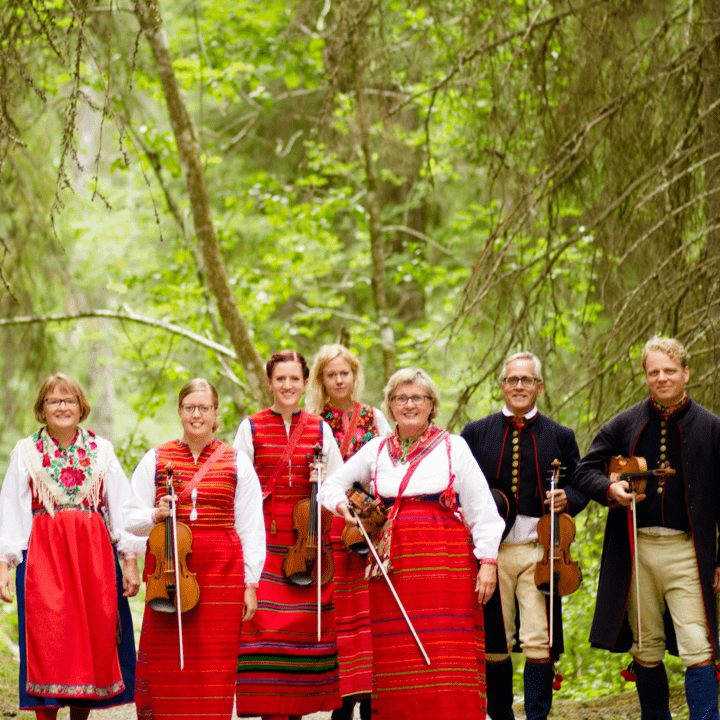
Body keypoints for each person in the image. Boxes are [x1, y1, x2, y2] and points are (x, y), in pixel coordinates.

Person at [319, 367, 505, 720]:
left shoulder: (454, 447)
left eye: (417, 397)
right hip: (392, 569)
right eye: (400, 398)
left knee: (445, 653)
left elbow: (483, 510)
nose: (409, 405)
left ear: (432, 405)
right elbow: (330, 486)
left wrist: (489, 563)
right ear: (389, 406)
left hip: (446, 568)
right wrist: (346, 509)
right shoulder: (375, 450)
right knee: (397, 656)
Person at [571, 337, 720, 720]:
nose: (662, 378)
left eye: (670, 371)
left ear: (686, 373)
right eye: (654, 372)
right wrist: (609, 488)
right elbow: (584, 471)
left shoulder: (711, 428)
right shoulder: (625, 423)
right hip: (635, 550)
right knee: (646, 645)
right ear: (646, 376)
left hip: (687, 551)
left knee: (697, 644)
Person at [0, 373, 142, 720]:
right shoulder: (26, 451)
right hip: (43, 562)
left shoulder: (101, 450)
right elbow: (12, 511)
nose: (62, 407)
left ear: (81, 408)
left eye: (69, 400)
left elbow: (121, 506)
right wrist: (5, 564)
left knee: (92, 643)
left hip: (94, 559)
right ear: (42, 409)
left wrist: (130, 561)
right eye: (54, 401)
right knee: (49, 642)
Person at [124, 377, 265, 720]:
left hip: (223, 575)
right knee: (168, 663)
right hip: (169, 574)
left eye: (204, 408)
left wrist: (251, 583)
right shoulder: (156, 458)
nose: (197, 415)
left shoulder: (237, 462)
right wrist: (156, 514)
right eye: (190, 408)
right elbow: (128, 518)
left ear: (216, 413)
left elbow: (250, 525)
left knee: (215, 664)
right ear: (179, 411)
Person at [460, 351, 587, 720]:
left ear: (539, 386)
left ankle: (537, 716)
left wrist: (569, 499)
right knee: (494, 642)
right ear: (501, 385)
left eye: (527, 380)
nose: (519, 386)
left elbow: (581, 486)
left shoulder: (560, 435)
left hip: (540, 552)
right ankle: (500, 716)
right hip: (489, 554)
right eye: (512, 379)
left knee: (538, 640)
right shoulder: (474, 433)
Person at [233, 350, 344, 720]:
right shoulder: (249, 428)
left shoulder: (320, 428)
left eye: (294, 379)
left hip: (307, 546)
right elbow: (239, 490)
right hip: (264, 546)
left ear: (304, 382)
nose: (287, 385)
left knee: (301, 646)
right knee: (266, 640)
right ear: (269, 383)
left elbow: (337, 485)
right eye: (280, 378)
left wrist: (323, 481)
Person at [306, 344, 392, 720]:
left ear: (355, 376)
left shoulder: (374, 418)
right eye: (331, 374)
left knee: (371, 613)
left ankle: (373, 701)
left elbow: (389, 467)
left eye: (345, 373)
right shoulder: (312, 421)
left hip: (368, 527)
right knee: (340, 615)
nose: (339, 380)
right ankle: (342, 702)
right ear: (322, 381)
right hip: (329, 527)